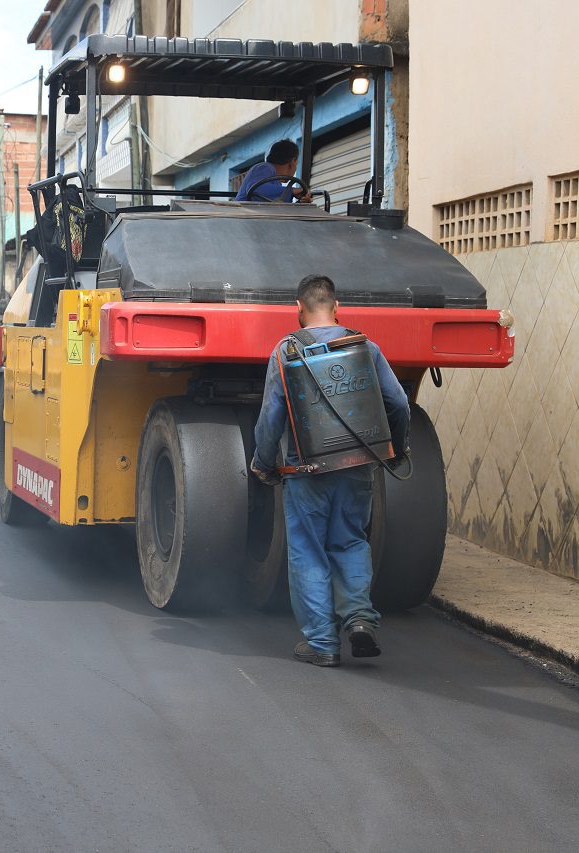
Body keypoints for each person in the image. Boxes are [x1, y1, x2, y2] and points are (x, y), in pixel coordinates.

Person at [250, 274, 409, 667]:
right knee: (351, 541)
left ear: (298, 310)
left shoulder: (285, 351)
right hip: (356, 466)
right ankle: (358, 619)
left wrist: (263, 463)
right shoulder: (364, 347)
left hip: (304, 471)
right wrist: (394, 450)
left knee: (307, 552)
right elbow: (399, 403)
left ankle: (322, 643)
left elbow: (271, 416)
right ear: (337, 308)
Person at [235, 140, 313, 203]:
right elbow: (255, 189)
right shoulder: (265, 167)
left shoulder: (275, 182)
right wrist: (291, 190)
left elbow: (279, 207)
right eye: (297, 163)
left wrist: (301, 203)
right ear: (293, 161)